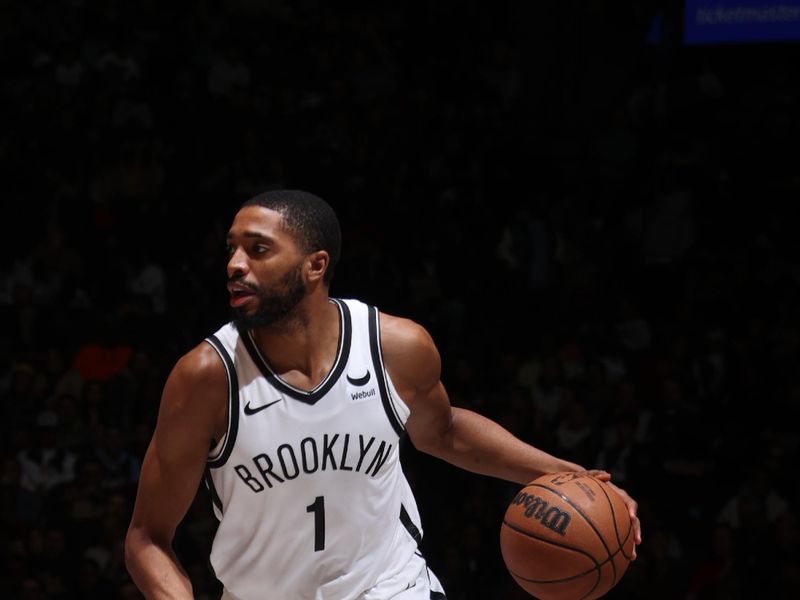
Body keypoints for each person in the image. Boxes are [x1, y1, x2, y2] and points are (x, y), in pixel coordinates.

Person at [124, 190, 642, 600]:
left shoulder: (395, 346)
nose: (236, 264)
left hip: (391, 588)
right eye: (232, 250)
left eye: (258, 249)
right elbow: (147, 536)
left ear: (315, 265)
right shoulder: (205, 377)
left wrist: (568, 474)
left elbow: (445, 432)